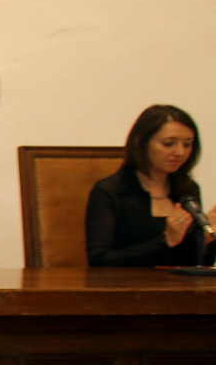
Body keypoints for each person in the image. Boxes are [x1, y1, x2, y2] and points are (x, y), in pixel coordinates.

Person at [87, 104, 208, 267]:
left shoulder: (187, 190)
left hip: (180, 290)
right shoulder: (110, 191)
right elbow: (99, 261)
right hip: (127, 289)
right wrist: (165, 240)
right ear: (141, 142)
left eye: (187, 144)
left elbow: (195, 265)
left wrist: (206, 240)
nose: (180, 152)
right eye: (169, 143)